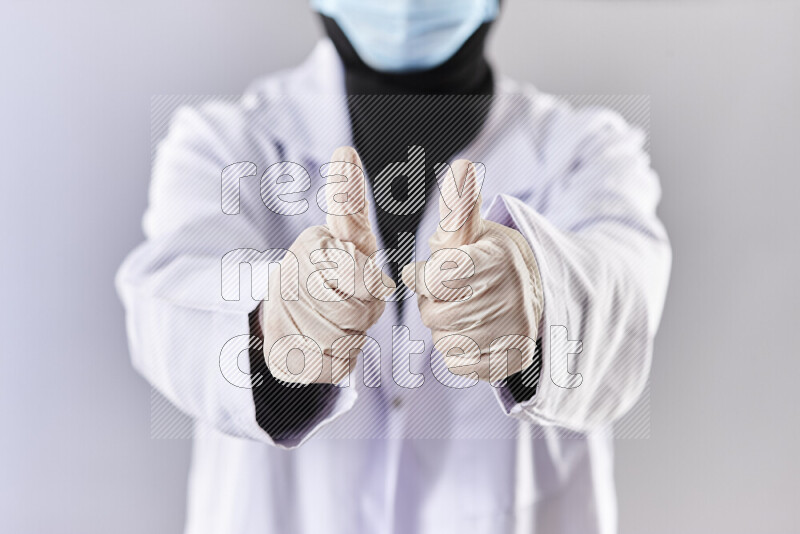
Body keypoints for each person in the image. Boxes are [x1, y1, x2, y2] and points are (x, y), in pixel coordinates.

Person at [116, 1, 671, 532]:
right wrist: (271, 322)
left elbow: (625, 298)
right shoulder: (222, 143)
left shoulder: (586, 152)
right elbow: (168, 305)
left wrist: (543, 290)